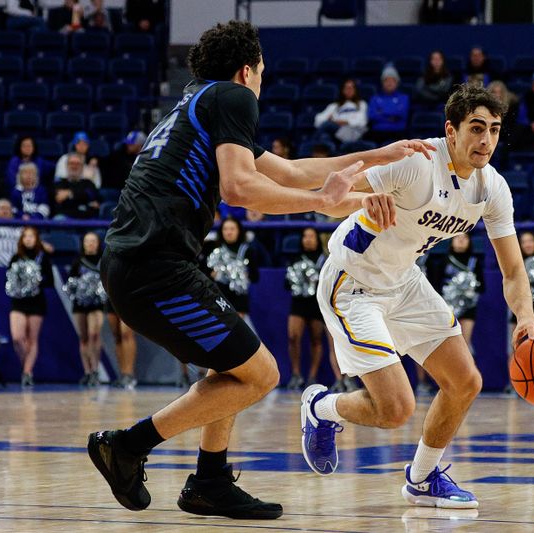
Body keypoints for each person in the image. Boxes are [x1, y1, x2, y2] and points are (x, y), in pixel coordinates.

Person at [89, 19, 431, 520]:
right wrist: (321, 203)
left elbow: (291, 172)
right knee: (261, 374)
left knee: (230, 364)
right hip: (153, 267)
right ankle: (127, 445)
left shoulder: (200, 102)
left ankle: (209, 480)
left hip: (145, 262)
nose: (262, 83)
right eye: (262, 73)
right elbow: (240, 190)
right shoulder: (233, 98)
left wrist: (378, 156)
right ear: (247, 70)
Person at [299, 83, 534, 509]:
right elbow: (327, 202)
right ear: (451, 131)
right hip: (353, 283)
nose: (486, 140)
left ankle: (421, 479)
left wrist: (526, 315)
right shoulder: (414, 162)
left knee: (465, 382)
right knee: (395, 409)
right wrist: (364, 197)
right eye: (477, 128)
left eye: (494, 130)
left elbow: (513, 269)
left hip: (404, 282)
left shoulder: (492, 188)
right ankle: (321, 408)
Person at [7, 226, 54, 388]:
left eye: (31, 236)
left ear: (36, 239)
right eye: (25, 236)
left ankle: (27, 372)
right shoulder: (15, 258)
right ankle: (25, 366)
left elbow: (51, 282)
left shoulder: (43, 257)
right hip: (18, 301)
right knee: (18, 338)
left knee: (32, 339)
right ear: (21, 239)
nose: (28, 239)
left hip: (36, 302)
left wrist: (36, 281)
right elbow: (9, 280)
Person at [505, 231, 534, 394]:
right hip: (517, 311)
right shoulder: (515, 265)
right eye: (524, 242)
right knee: (515, 347)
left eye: (531, 240)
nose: (528, 244)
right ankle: (514, 383)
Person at [284, 227, 328, 390]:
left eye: (312, 236)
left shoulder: (325, 260)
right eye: (305, 236)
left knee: (316, 339)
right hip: (298, 302)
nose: (308, 239)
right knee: (293, 337)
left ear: (317, 239)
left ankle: (312, 376)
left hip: (317, 304)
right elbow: (286, 283)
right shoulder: (295, 258)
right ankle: (296, 374)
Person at [67, 232, 105, 387]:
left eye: (93, 241)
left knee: (94, 334)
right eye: (87, 241)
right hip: (80, 304)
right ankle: (87, 371)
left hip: (97, 304)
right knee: (83, 337)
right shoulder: (78, 261)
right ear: (83, 243)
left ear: (97, 243)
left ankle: (96, 369)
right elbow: (71, 284)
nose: (90, 244)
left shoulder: (103, 261)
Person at [199, 217, 258, 318]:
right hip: (217, 296)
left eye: (232, 229)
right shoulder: (212, 248)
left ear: (239, 230)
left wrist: (245, 276)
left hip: (238, 297)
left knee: (237, 330)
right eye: (225, 229)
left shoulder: (247, 250)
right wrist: (213, 274)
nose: (228, 232)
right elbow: (203, 272)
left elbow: (255, 277)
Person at [439, 232, 484, 356]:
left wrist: (470, 289)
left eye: (464, 237)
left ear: (469, 241)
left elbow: (482, 287)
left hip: (468, 308)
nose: (461, 240)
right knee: (446, 343)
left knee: (464, 343)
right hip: (448, 308)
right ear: (451, 241)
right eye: (457, 237)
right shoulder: (444, 260)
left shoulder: (474, 261)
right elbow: (436, 285)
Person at [314, 79, 368, 144]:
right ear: (342, 90)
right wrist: (328, 118)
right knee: (325, 136)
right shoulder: (334, 106)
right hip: (335, 130)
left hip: (352, 131)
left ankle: (312, 145)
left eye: (351, 88)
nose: (349, 90)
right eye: (346, 88)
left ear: (355, 90)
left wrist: (346, 122)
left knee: (327, 126)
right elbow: (318, 121)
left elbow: (363, 121)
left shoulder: (361, 104)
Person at [368, 64, 410, 144]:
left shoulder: (404, 98)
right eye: (386, 80)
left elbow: (402, 114)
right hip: (378, 134)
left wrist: (381, 112)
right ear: (382, 82)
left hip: (398, 133)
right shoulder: (375, 98)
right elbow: (372, 115)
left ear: (397, 82)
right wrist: (392, 117)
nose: (389, 83)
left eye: (392, 80)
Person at [53, 153, 100, 219]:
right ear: (66, 165)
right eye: (71, 163)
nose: (74, 166)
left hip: (87, 218)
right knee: (58, 219)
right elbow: (59, 200)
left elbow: (91, 196)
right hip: (66, 217)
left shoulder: (88, 183)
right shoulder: (59, 183)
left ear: (82, 167)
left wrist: (69, 193)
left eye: (78, 164)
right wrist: (84, 199)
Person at [106, 297, 138, 389]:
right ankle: (123, 373)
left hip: (128, 293)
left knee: (126, 334)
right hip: (112, 294)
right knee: (117, 336)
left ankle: (129, 374)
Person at [0, 199, 24, 267]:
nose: (5, 211)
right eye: (2, 208)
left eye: (8, 209)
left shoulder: (19, 227)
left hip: (17, 263)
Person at [486, 80, 518, 151]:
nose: (497, 95)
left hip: (506, 136)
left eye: (500, 92)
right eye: (494, 92)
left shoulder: (512, 106)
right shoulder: (484, 108)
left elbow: (511, 126)